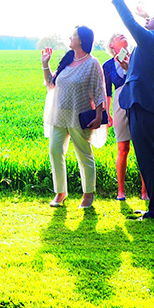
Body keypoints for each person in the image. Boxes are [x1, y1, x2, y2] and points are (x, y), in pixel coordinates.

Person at [106, 0, 154, 220]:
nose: (147, 21)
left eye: (152, 20)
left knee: (148, 160)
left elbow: (131, 25)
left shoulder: (152, 39)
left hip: (144, 106)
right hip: (150, 106)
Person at [42, 27, 105, 208]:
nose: (70, 37)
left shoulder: (92, 63)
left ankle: (88, 194)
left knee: (84, 155)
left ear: (82, 40)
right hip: (59, 115)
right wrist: (45, 64)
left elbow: (99, 91)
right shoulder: (68, 59)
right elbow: (51, 83)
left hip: (79, 116)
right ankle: (61, 192)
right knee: (55, 151)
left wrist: (99, 116)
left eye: (74, 35)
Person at [103, 34, 145, 202]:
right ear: (111, 45)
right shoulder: (107, 65)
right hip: (119, 103)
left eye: (123, 34)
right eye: (117, 36)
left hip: (138, 101)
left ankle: (145, 190)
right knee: (123, 148)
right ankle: (121, 190)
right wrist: (107, 113)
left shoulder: (137, 57)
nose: (122, 35)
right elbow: (107, 91)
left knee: (142, 148)